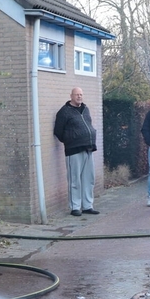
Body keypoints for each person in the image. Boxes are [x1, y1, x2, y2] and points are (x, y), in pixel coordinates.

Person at [53, 87, 99, 216]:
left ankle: (87, 206)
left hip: (88, 148)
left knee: (88, 179)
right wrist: (70, 139)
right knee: (75, 180)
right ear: (71, 96)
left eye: (81, 94)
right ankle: (75, 207)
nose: (79, 96)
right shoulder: (64, 112)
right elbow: (58, 131)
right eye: (77, 94)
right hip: (73, 150)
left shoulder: (85, 109)